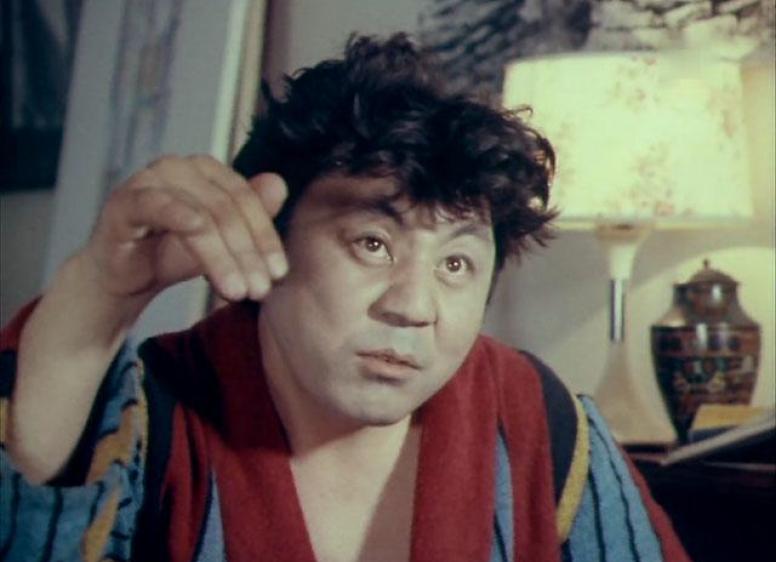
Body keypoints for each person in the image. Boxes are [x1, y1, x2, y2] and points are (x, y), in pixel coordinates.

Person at [0, 34, 689, 562]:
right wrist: (99, 290)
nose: (414, 306)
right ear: (269, 235)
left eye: (455, 263)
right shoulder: (152, 415)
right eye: (372, 244)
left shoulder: (539, 420)